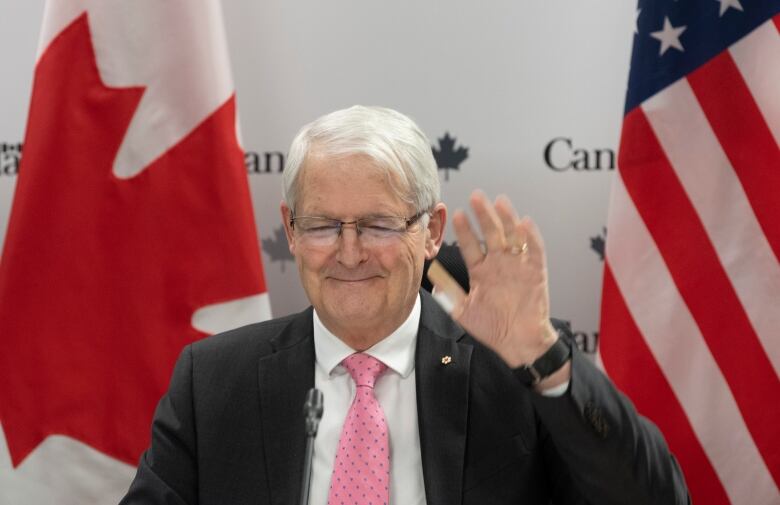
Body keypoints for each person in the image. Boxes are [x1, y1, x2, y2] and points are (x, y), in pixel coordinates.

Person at [120, 105, 689, 504]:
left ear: (432, 231)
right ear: (290, 231)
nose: (349, 253)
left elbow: (655, 499)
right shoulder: (215, 381)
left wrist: (544, 360)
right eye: (321, 225)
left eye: (378, 225)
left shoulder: (514, 366)